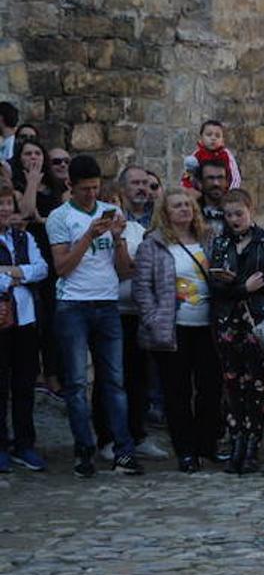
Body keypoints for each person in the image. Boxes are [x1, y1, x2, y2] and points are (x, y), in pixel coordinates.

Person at [47, 155, 141, 477]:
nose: (91, 195)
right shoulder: (60, 218)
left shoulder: (109, 213)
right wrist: (89, 235)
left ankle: (122, 451)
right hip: (73, 304)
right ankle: (83, 450)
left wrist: (117, 238)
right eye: (85, 189)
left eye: (96, 188)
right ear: (70, 185)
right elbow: (61, 268)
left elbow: (125, 270)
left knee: (114, 381)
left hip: (107, 303)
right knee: (75, 382)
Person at [133, 187, 224, 472]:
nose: (184, 209)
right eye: (177, 206)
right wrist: (152, 318)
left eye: (187, 204)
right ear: (166, 212)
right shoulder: (154, 244)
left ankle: (206, 444)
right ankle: (185, 451)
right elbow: (142, 287)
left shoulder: (209, 240)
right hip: (173, 328)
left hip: (207, 326)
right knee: (177, 392)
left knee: (211, 388)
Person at [208, 189, 264, 474]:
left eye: (238, 213)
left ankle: (253, 444)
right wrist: (242, 287)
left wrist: (249, 287)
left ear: (249, 210)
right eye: (228, 215)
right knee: (231, 384)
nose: (234, 220)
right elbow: (215, 285)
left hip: (257, 320)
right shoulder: (220, 243)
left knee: (256, 384)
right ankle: (236, 443)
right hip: (228, 322)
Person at [93, 167, 167, 463]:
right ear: (122, 190)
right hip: (112, 310)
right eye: (135, 183)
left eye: (146, 184)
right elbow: (122, 267)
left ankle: (137, 434)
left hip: (141, 311)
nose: (142, 189)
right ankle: (108, 437)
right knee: (110, 376)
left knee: (139, 377)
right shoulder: (109, 225)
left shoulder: (142, 228)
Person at [11, 138, 68, 397]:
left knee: (54, 316)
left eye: (37, 153)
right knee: (34, 316)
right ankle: (34, 372)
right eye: (27, 153)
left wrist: (42, 219)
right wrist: (32, 182)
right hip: (29, 255)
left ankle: (53, 373)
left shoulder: (56, 188)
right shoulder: (16, 185)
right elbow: (25, 212)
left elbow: (62, 218)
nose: (33, 157)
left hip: (54, 254)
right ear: (19, 158)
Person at [0, 184, 48, 473]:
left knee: (24, 383)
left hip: (25, 319)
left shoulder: (23, 237)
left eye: (8, 204)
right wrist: (17, 276)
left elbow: (41, 269)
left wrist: (11, 272)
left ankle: (24, 443)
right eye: (1, 204)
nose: (5, 209)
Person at [181, 119, 242, 192]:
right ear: (201, 138)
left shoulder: (226, 155)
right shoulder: (196, 156)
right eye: (209, 135)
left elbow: (235, 176)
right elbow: (187, 176)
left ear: (222, 141)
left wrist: (231, 193)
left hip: (223, 194)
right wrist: (188, 191)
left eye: (217, 136)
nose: (213, 138)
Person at [196, 157, 230, 241]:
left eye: (220, 178)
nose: (216, 183)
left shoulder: (236, 210)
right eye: (210, 178)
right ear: (200, 183)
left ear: (227, 182)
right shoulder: (192, 213)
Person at [116, 165, 156, 229]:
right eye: (135, 183)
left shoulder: (159, 214)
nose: (141, 187)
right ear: (122, 187)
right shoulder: (115, 215)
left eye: (145, 183)